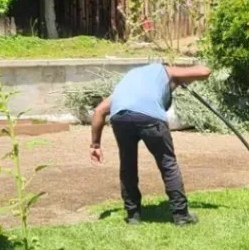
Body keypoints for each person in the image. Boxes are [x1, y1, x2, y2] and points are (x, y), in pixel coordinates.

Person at [89, 60, 212, 225]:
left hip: (120, 117)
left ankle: (133, 215)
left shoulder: (130, 80)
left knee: (127, 165)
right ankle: (181, 215)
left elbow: (99, 111)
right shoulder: (164, 70)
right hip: (150, 117)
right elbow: (205, 72)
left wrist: (95, 145)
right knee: (168, 163)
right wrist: (178, 73)